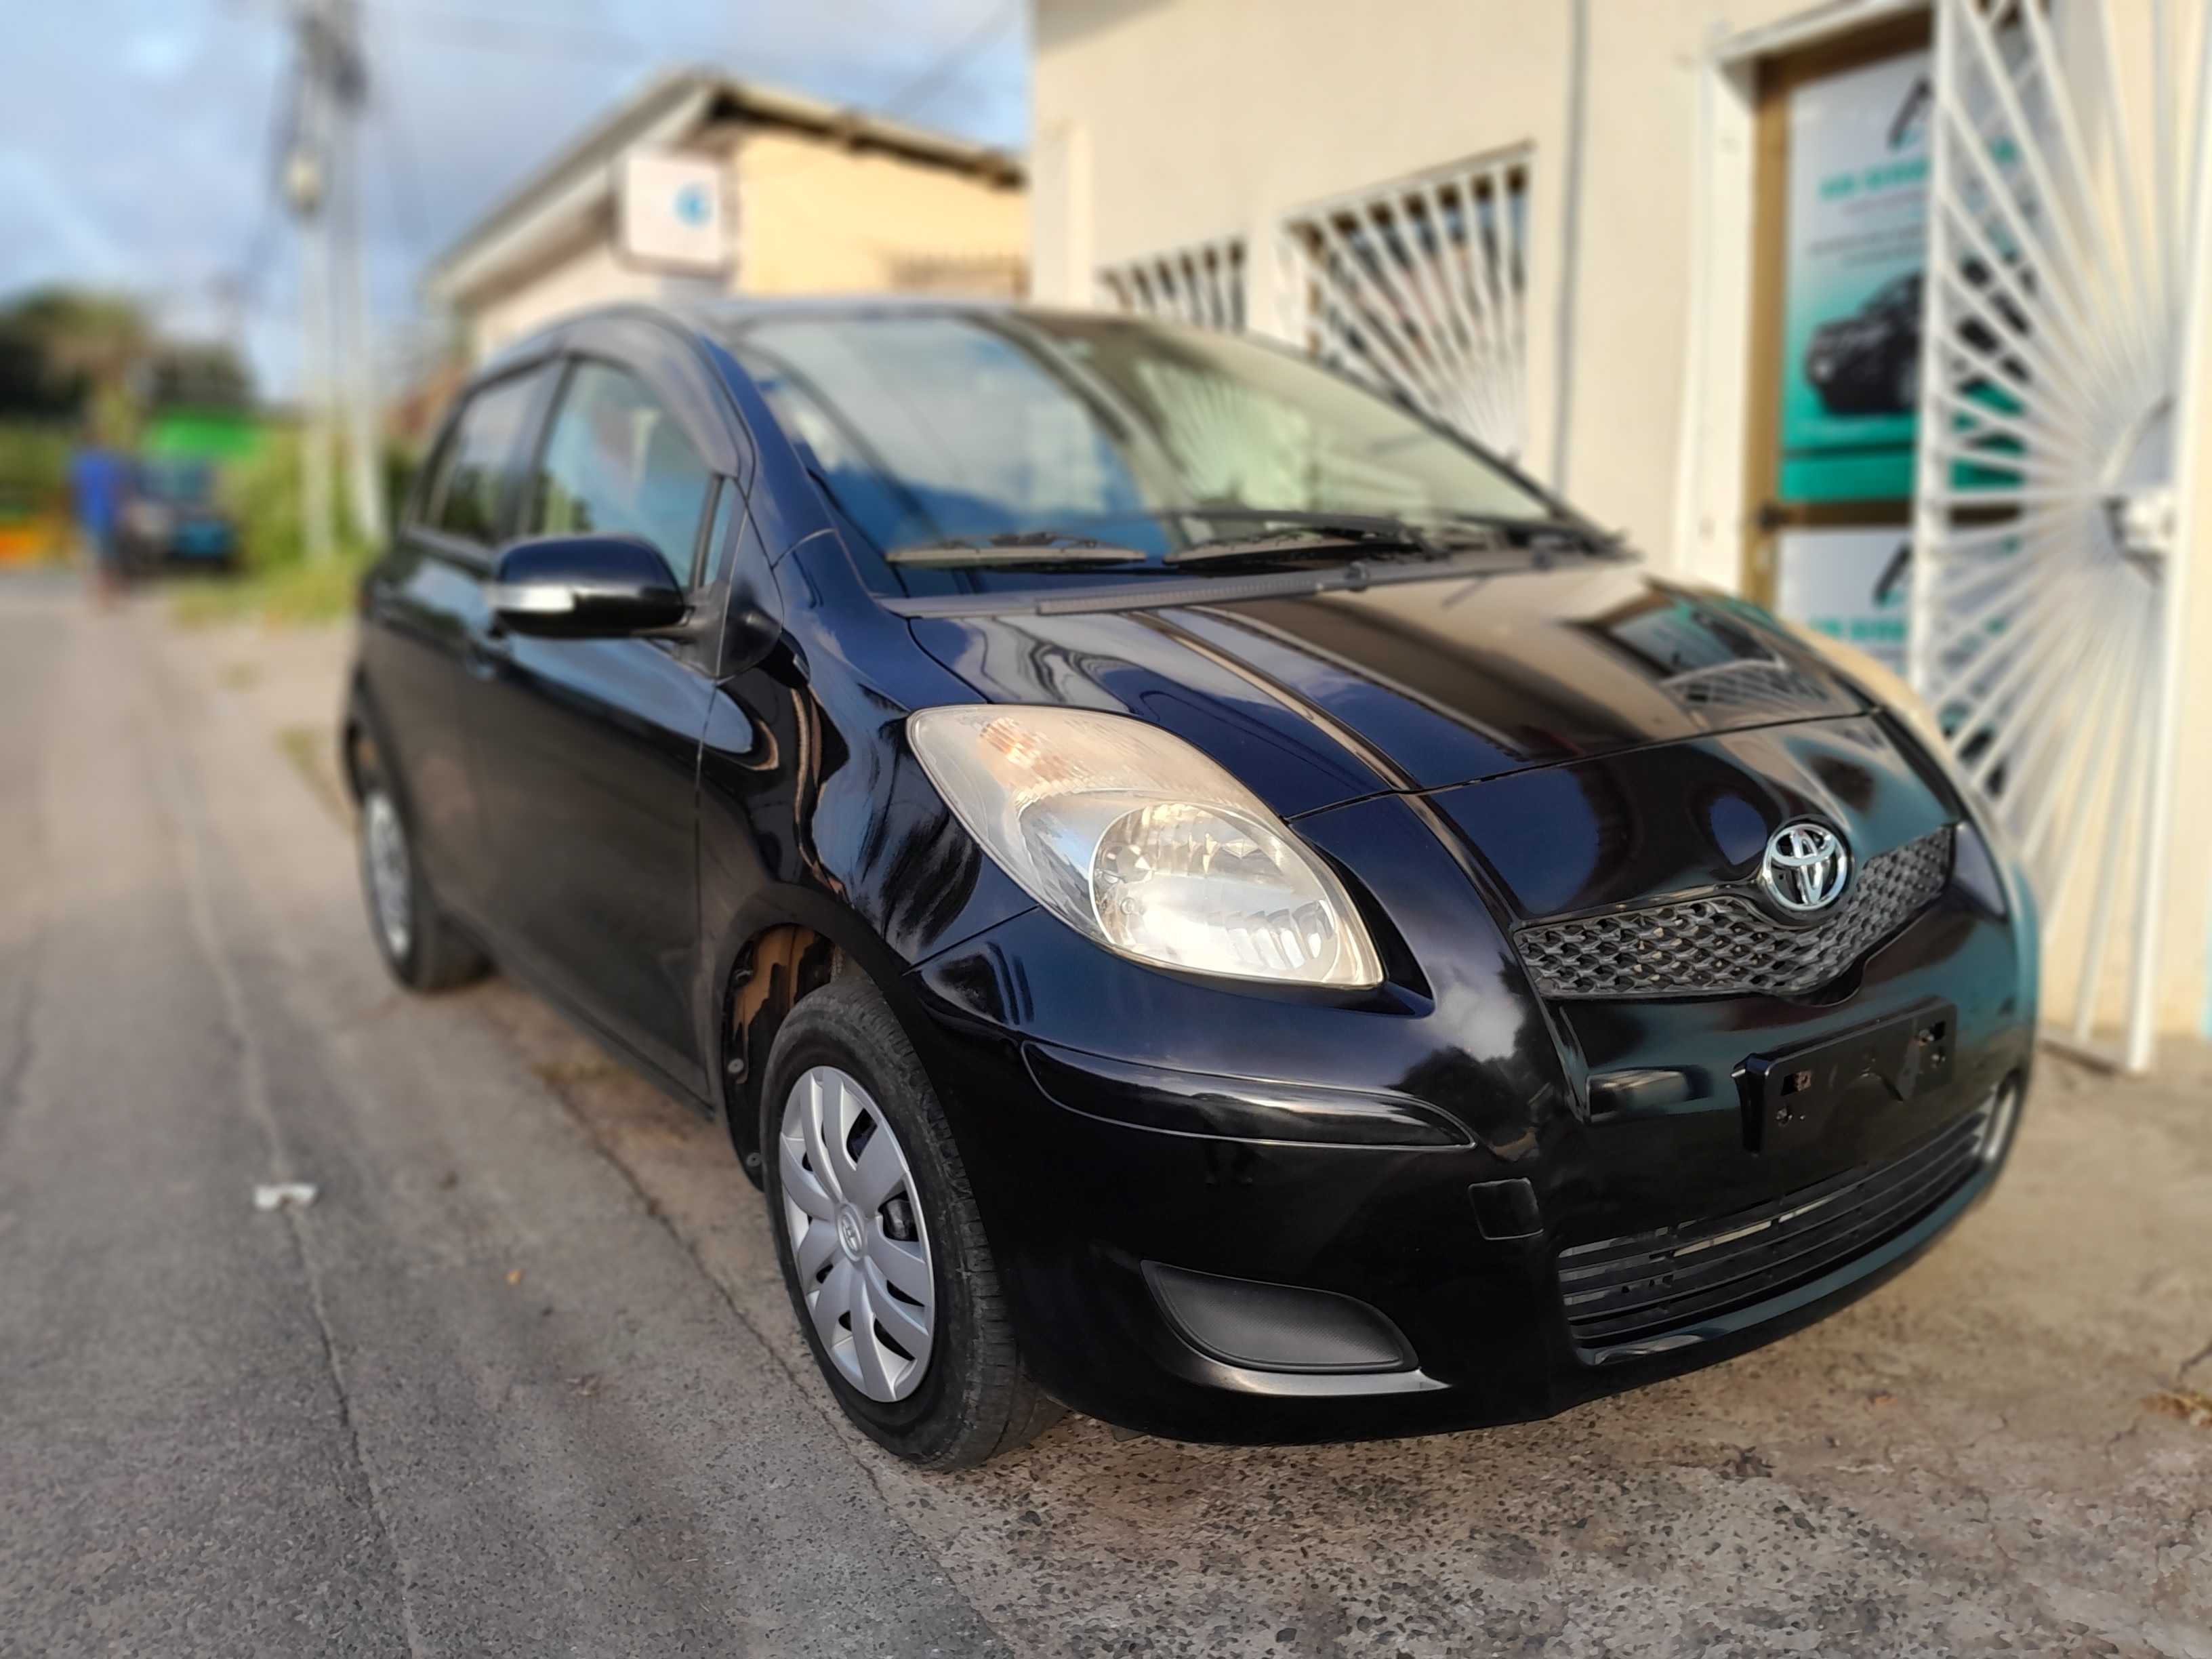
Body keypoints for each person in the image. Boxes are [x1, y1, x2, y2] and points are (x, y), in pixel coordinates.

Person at [69, 441, 129, 608]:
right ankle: (107, 596)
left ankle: (92, 594)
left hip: (88, 516)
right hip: (109, 516)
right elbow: (119, 490)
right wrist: (121, 512)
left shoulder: (82, 465)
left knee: (91, 556)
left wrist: (75, 514)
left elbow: (77, 490)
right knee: (108, 556)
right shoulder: (111, 465)